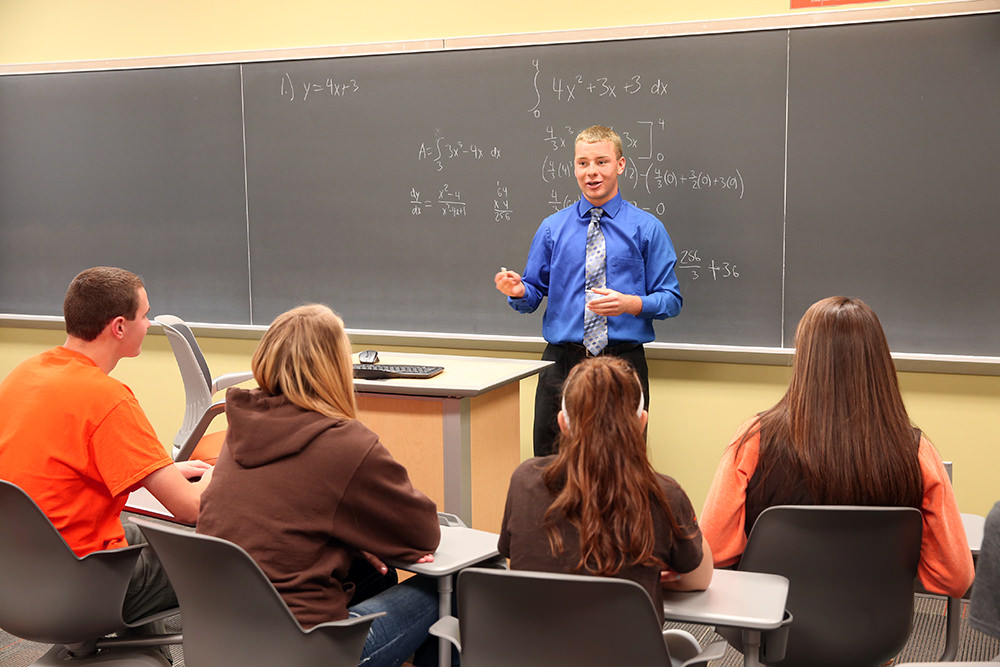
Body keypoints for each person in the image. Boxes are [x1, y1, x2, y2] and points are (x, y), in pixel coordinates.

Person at [196, 304, 445, 667]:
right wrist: (363, 534)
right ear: (337, 368)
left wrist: (352, 538)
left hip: (223, 638)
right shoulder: (347, 443)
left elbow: (289, 514)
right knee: (446, 591)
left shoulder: (241, 427)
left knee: (378, 574)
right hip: (306, 650)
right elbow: (423, 534)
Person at [700, 296, 974, 598]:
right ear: (879, 361)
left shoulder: (756, 438)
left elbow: (714, 550)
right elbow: (955, 577)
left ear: (805, 358)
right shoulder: (916, 451)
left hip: (769, 624)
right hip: (877, 630)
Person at [0, 266, 213, 637]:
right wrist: (218, 475)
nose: (148, 324)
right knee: (227, 557)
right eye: (144, 316)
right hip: (80, 585)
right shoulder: (107, 399)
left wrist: (153, 473)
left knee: (139, 533)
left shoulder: (24, 375)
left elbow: (58, 471)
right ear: (119, 327)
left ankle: (143, 652)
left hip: (16, 575)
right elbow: (191, 509)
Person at [495, 125, 682, 456]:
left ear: (620, 165)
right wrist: (519, 290)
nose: (592, 172)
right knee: (549, 465)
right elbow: (533, 293)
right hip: (562, 363)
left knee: (623, 468)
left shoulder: (648, 228)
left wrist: (632, 303)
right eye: (583, 163)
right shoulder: (552, 228)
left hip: (622, 363)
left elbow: (671, 300)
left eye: (602, 162)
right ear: (574, 167)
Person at [498, 356, 712, 621]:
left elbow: (515, 563)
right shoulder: (663, 493)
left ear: (563, 423)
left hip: (529, 653)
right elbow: (699, 579)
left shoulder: (525, 479)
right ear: (641, 422)